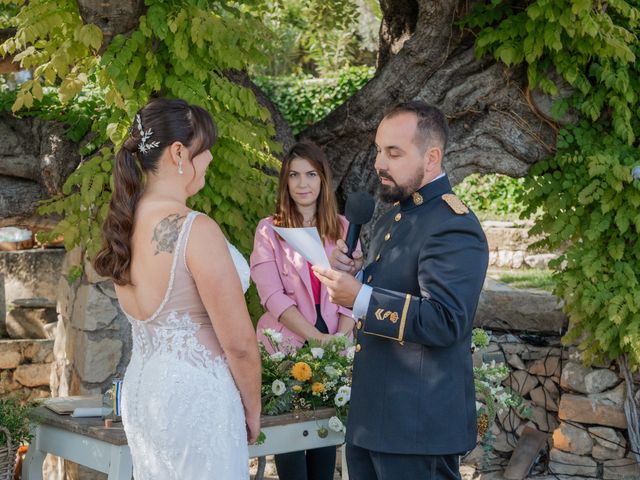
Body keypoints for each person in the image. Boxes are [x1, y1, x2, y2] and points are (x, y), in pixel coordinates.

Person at [313, 101, 489, 479]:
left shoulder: (452, 224)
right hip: (373, 421)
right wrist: (357, 279)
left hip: (416, 429)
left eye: (394, 152)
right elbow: (396, 293)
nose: (380, 163)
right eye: (379, 150)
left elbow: (446, 320)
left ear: (432, 157)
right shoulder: (397, 215)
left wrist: (359, 298)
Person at [93, 97, 261, 480]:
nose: (211, 160)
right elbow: (239, 344)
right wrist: (252, 408)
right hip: (195, 396)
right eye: (207, 151)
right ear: (180, 152)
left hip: (144, 391)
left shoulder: (124, 226)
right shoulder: (194, 229)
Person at [250, 141, 356, 480]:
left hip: (335, 348)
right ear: (285, 182)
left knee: (325, 449)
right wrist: (316, 339)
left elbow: (355, 288)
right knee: (292, 452)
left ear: (324, 180)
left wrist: (338, 339)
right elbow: (271, 296)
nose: (302, 183)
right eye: (294, 175)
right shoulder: (269, 230)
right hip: (286, 349)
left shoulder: (342, 227)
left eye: (311, 174)